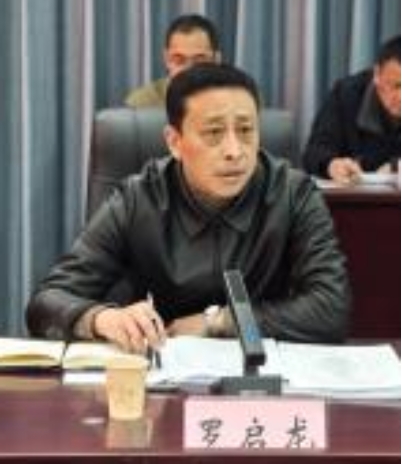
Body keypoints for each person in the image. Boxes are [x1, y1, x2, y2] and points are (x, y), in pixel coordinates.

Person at [27, 63, 350, 352]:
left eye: (245, 130)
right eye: (213, 133)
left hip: (263, 378)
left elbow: (332, 308)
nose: (234, 151)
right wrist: (102, 318)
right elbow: (48, 301)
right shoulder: (138, 199)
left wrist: (219, 321)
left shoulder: (294, 194)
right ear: (174, 142)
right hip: (163, 371)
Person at [303, 35, 400, 183]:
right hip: (353, 192)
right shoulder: (346, 95)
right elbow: (314, 152)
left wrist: (395, 166)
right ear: (377, 75)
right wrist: (332, 165)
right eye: (396, 86)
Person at [125, 13, 221, 108]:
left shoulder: (228, 99)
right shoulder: (142, 103)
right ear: (167, 59)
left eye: (199, 61)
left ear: (216, 60)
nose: (188, 70)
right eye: (179, 60)